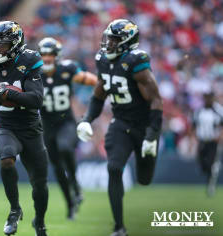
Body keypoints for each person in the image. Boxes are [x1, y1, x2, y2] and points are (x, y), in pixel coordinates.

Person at [76, 19, 163, 236]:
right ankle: (119, 227)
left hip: (143, 126)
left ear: (127, 42)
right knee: (114, 169)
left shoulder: (137, 62)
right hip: (120, 123)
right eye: (109, 38)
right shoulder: (103, 60)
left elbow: (156, 101)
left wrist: (152, 135)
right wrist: (87, 119)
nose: (109, 43)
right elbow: (99, 94)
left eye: (114, 39)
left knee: (144, 180)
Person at [0, 21, 48, 236]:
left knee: (39, 185)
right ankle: (14, 209)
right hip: (6, 126)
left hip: (31, 128)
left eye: (2, 45)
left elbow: (36, 99)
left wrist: (9, 94)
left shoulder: (29, 60)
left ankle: (39, 223)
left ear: (15, 45)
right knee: (6, 159)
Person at [37, 37, 97, 220]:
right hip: (47, 126)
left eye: (51, 54)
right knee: (56, 167)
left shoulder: (67, 68)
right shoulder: (35, 73)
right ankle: (70, 204)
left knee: (65, 148)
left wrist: (101, 83)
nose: (47, 58)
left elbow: (86, 78)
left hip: (66, 121)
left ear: (57, 56)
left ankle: (76, 186)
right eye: (44, 54)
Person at [192, 91, 223, 197]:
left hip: (213, 141)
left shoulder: (218, 110)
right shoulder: (199, 111)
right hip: (202, 140)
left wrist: (220, 136)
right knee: (202, 164)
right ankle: (213, 168)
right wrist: (194, 138)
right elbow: (194, 125)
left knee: (210, 163)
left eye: (210, 98)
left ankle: (210, 185)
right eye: (206, 98)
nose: (208, 100)